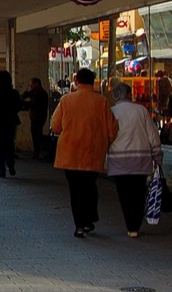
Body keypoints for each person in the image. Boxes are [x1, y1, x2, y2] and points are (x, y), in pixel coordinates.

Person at [50, 68, 118, 238]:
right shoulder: (101, 102)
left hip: (70, 152)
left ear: (77, 81)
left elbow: (56, 126)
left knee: (75, 190)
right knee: (89, 186)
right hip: (93, 152)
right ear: (93, 81)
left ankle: (79, 225)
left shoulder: (66, 100)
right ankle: (89, 219)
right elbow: (112, 130)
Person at [108, 81, 163, 237]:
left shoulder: (111, 112)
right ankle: (135, 225)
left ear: (114, 96)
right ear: (130, 94)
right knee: (139, 193)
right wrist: (157, 155)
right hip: (141, 159)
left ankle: (130, 225)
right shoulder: (141, 111)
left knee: (124, 194)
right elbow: (153, 135)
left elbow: (107, 136)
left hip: (119, 161)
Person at [21, 77, 50, 160]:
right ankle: (37, 151)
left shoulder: (39, 92)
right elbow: (27, 95)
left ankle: (37, 151)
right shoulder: (37, 91)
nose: (30, 85)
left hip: (38, 116)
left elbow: (32, 103)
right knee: (36, 133)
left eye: (31, 84)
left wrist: (22, 102)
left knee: (36, 134)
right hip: (38, 116)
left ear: (36, 83)